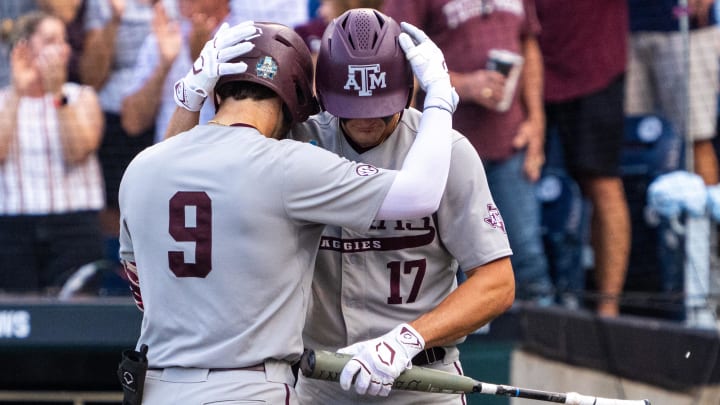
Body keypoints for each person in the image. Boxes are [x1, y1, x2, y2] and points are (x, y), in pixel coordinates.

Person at [166, 9, 514, 403]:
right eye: (351, 109)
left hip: (423, 378)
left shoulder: (445, 149)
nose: (365, 121)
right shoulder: (296, 140)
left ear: (406, 90)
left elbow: (497, 283)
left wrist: (407, 339)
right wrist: (189, 100)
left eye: (380, 107)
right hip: (320, 381)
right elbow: (174, 175)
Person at [383, 0, 553, 303]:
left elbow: (529, 45)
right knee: (452, 267)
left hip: (510, 142)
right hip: (445, 150)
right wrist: (462, 84)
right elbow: (395, 61)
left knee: (529, 260)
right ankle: (467, 350)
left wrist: (537, 123)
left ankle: (545, 349)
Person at [535, 0, 631, 317]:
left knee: (601, 182)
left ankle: (608, 307)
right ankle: (533, 302)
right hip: (528, 71)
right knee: (522, 184)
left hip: (595, 68)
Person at [0, 10, 105, 293]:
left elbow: (78, 150)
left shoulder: (81, 96)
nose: (63, 48)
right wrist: (17, 94)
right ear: (23, 47)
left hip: (73, 227)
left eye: (64, 40)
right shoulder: (3, 101)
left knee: (77, 319)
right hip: (12, 228)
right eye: (50, 40)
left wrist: (57, 93)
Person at [81, 0, 155, 269]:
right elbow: (90, 77)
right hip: (114, 113)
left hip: (168, 106)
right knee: (116, 203)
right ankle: (119, 274)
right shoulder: (103, 5)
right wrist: (114, 20)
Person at [626, 0, 720, 186]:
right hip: (625, 27)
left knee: (695, 138)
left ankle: (707, 213)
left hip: (684, 26)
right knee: (633, 142)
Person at [120, 0, 233, 144]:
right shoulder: (166, 35)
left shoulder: (247, 37)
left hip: (223, 156)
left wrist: (204, 64)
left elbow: (247, 121)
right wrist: (163, 66)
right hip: (168, 160)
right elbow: (132, 123)